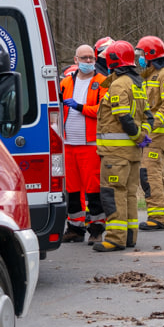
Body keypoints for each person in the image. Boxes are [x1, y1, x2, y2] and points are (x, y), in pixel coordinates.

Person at [93, 40, 153, 253]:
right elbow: (148, 115)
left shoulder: (119, 85)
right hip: (133, 153)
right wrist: (143, 136)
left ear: (112, 61)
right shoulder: (137, 83)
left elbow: (123, 117)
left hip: (116, 154)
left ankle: (115, 238)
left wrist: (138, 136)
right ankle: (129, 236)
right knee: (128, 194)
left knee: (113, 192)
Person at [59, 45, 108, 245]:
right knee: (72, 189)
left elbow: (104, 110)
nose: (88, 61)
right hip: (68, 143)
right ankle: (75, 228)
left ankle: (96, 229)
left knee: (93, 188)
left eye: (91, 58)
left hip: (90, 143)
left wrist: (81, 107)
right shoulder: (65, 83)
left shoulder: (102, 82)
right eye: (84, 58)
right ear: (76, 59)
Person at [136, 36, 164, 231]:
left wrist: (149, 126)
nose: (140, 59)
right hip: (148, 135)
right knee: (156, 175)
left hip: (156, 135)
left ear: (151, 55)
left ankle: (157, 217)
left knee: (148, 173)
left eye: (142, 55)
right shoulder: (146, 76)